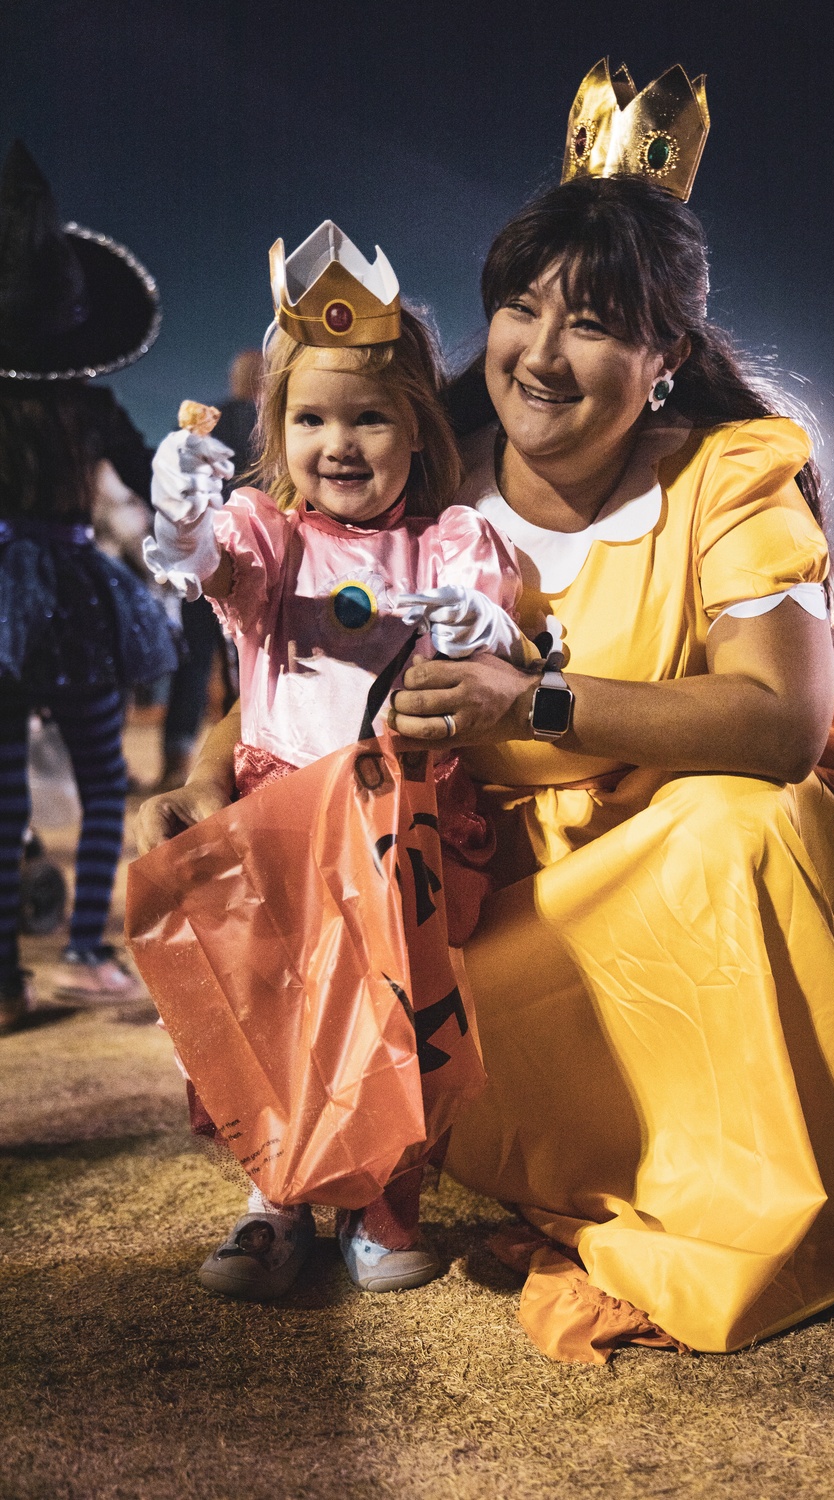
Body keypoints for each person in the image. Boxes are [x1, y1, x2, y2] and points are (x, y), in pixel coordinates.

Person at [137, 60, 834, 1358]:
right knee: (367, 958)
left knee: (729, 831)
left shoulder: (732, 478)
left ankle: (720, 1183)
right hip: (503, 865)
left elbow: (783, 728)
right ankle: (341, 1174)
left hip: (691, 851)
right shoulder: (435, 460)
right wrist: (205, 760)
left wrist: (538, 697)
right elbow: (300, 618)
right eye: (522, 304)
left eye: (596, 317)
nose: (543, 347)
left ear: (665, 354)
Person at [142, 218, 523, 1300]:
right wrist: (181, 513)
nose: (338, 442)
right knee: (274, 1006)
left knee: (389, 1009)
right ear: (279, 426)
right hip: (277, 819)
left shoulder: (450, 536)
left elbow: (491, 628)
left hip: (399, 825)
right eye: (310, 417)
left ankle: (383, 1198)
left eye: (368, 417)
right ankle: (276, 1201)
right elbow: (203, 560)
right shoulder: (270, 533)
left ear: (416, 430)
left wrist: (469, 620)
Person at [0, 140, 176, 1028]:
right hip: (68, 597)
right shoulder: (89, 406)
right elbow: (151, 482)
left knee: (1, 797)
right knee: (105, 780)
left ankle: (2, 983)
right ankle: (81, 952)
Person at [155, 351, 262, 790]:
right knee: (253, 659)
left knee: (195, 662)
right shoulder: (273, 423)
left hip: (200, 559)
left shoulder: (202, 428)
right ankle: (248, 759)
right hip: (255, 559)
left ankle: (177, 759)